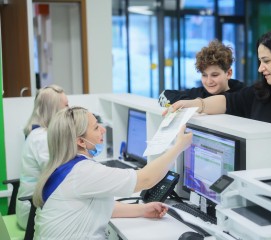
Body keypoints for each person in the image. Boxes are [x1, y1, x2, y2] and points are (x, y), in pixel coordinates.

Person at [32, 107, 192, 239]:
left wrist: (143, 210)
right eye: (96, 127)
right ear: (80, 141)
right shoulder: (82, 172)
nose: (102, 129)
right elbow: (147, 179)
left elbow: (99, 205)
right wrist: (178, 147)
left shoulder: (61, 165)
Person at [167, 28, 271, 154]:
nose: (261, 68)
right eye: (260, 61)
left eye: (266, 61)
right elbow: (227, 101)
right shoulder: (259, 93)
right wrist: (196, 104)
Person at [16, 85, 69, 229]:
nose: (69, 111)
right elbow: (56, 175)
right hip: (32, 212)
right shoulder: (42, 138)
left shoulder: (41, 133)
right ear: (54, 109)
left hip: (36, 206)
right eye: (66, 106)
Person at [158, 39, 244, 107]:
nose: (209, 81)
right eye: (204, 75)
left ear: (228, 73)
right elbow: (164, 96)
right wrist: (192, 103)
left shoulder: (243, 94)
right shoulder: (199, 93)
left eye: (214, 75)